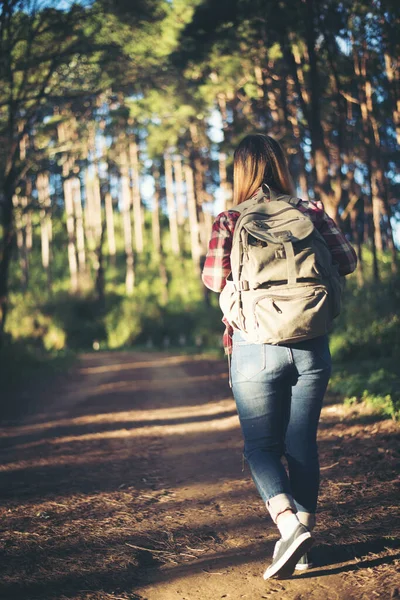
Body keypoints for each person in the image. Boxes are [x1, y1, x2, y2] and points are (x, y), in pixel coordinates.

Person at [201, 134, 357, 579]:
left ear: (240, 172)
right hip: (311, 342)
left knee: (260, 447)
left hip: (254, 347)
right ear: (280, 168)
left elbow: (214, 280)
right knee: (301, 444)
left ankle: (289, 527)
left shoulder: (230, 219)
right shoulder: (309, 211)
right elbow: (346, 260)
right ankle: (303, 546)